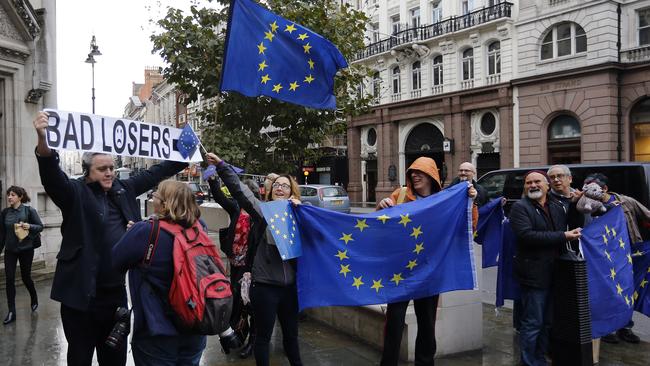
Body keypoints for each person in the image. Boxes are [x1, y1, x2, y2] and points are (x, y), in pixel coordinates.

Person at [32, 111, 187, 366]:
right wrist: (42, 139)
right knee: (79, 357)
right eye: (102, 169)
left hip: (115, 298)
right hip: (80, 299)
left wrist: (187, 154)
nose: (109, 173)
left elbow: (158, 171)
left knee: (114, 359)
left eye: (112, 168)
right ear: (87, 172)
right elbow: (51, 174)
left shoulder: (124, 190)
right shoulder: (75, 193)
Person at [376, 157, 478, 366]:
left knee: (426, 324)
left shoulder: (445, 200)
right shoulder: (400, 194)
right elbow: (379, 227)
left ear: (432, 176)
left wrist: (471, 203)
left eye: (420, 172)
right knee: (394, 322)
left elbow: (469, 228)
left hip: (430, 273)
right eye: (412, 172)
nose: (414, 176)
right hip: (400, 272)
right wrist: (381, 207)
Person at [206, 153, 303, 366]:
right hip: (266, 287)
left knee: (292, 338)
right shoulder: (263, 212)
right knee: (263, 337)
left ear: (292, 192)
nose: (280, 187)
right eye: (276, 184)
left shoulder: (301, 214)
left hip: (290, 289)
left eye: (285, 186)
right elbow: (241, 192)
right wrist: (222, 166)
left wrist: (300, 211)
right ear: (270, 190)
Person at [111, 180, 208, 365]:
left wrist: (132, 235)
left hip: (156, 330)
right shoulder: (199, 227)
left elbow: (115, 262)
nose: (153, 197)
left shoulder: (145, 231)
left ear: (164, 203)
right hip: (195, 324)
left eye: (156, 194)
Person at [509, 171, 582, 366]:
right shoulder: (520, 207)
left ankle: (540, 359)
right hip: (533, 275)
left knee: (548, 322)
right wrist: (563, 236)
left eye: (537, 182)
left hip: (555, 274)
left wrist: (575, 206)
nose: (533, 185)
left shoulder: (556, 206)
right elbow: (527, 236)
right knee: (533, 322)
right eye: (528, 182)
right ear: (525, 187)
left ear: (547, 185)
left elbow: (569, 228)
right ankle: (528, 362)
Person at [582, 173, 650, 344]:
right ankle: (606, 329)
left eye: (590, 186)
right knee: (608, 291)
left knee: (627, 290)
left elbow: (647, 215)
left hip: (630, 252)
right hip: (603, 257)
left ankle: (625, 328)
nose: (586, 190)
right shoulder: (585, 203)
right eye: (585, 186)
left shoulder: (626, 201)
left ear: (604, 188)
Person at [209, 175, 257, 359]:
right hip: (236, 263)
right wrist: (214, 181)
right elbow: (220, 197)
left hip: (251, 265)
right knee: (236, 300)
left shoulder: (258, 212)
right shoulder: (236, 208)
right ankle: (237, 335)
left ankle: (253, 341)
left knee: (252, 305)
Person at [0, 186, 43, 324]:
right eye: (8, 195)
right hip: (10, 251)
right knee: (10, 278)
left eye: (12, 195)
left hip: (26, 250)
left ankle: (34, 296)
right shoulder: (5, 212)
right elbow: (2, 234)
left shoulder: (29, 210)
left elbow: (40, 226)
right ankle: (12, 311)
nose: (9, 197)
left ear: (20, 197)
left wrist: (29, 226)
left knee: (25, 277)